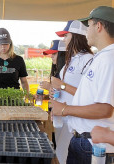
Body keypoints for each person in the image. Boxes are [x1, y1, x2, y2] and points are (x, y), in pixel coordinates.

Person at [50, 6, 114, 164]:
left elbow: (105, 109)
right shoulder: (102, 56)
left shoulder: (109, 59)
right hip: (84, 141)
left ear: (98, 26)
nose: (87, 31)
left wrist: (65, 109)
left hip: (93, 145)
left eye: (89, 25)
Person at [50, 20, 94, 164]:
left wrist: (61, 86)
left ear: (75, 36)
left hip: (80, 126)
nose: (64, 40)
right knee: (62, 156)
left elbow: (90, 95)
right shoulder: (72, 60)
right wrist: (54, 92)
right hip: (67, 122)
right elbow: (62, 88)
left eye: (66, 36)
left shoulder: (88, 60)